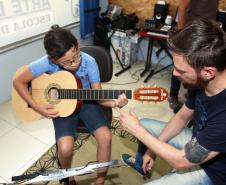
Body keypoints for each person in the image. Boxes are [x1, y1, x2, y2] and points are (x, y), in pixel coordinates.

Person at [13, 25, 128, 185]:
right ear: (54, 60)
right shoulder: (47, 63)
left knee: (106, 137)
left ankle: (100, 180)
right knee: (65, 148)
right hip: (62, 107)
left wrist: (115, 102)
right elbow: (18, 81)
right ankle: (68, 177)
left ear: (77, 46)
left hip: (87, 101)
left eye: (76, 56)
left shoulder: (89, 62)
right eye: (66, 63)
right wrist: (36, 106)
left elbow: (99, 97)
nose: (74, 63)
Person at [118, 19, 226, 185]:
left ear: (208, 72)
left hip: (214, 172)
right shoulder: (202, 82)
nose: (174, 73)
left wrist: (138, 131)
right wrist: (152, 150)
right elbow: (181, 117)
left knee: (142, 130)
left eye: (181, 70)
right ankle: (141, 165)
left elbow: (181, 160)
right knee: (146, 124)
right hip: (199, 139)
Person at [168, 0, 219, 113]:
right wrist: (181, 34)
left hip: (206, 33)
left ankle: (191, 97)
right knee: (180, 67)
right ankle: (173, 96)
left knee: (198, 68)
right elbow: (182, 8)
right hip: (191, 33)